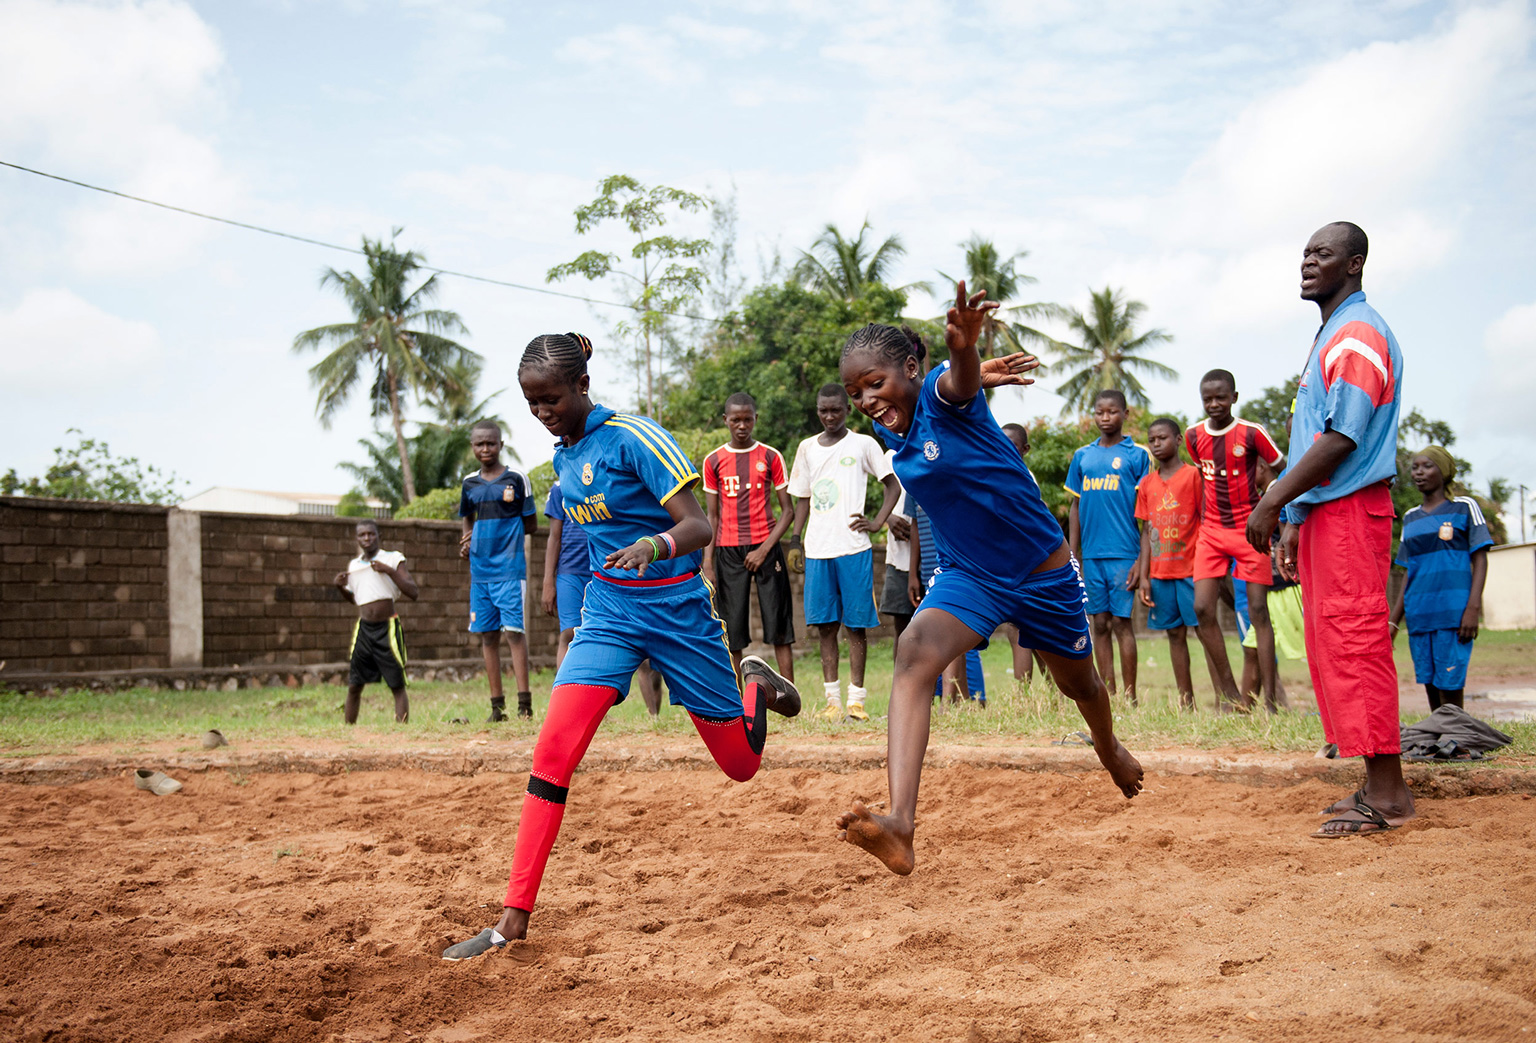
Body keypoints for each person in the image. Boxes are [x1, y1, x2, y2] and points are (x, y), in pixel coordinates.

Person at [442, 332, 801, 957]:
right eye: (531, 402)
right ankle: (511, 919)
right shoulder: (562, 457)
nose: (542, 412)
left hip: (677, 611)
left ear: (582, 385)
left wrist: (652, 547)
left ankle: (753, 683)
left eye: (550, 398)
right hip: (608, 612)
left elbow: (700, 525)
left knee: (741, 767)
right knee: (552, 751)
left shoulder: (635, 436)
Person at [834, 284, 1143, 877]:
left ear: (911, 368)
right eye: (856, 393)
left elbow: (959, 382)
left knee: (1079, 686)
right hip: (971, 576)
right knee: (914, 651)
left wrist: (966, 348)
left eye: (876, 383)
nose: (868, 399)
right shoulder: (892, 434)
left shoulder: (944, 398)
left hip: (1042, 575)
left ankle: (1108, 747)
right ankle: (900, 823)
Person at [1246, 221, 1412, 837]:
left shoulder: (1358, 332)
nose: (1308, 262)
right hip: (1322, 515)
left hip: (1349, 511)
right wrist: (1292, 517)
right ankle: (1374, 780)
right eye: (1305, 253)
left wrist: (1271, 501)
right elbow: (1315, 434)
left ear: (1356, 264)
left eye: (1323, 253)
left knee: (1355, 638)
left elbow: (1342, 436)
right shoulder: (1330, 335)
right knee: (1332, 643)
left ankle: (1390, 794)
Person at [787, 385, 899, 722]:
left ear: (847, 410)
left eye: (836, 410)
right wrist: (795, 540)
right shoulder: (807, 448)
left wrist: (879, 522)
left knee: (856, 627)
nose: (830, 416)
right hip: (819, 549)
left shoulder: (863, 444)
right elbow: (802, 499)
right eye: (824, 411)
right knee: (824, 627)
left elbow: (891, 483)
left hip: (854, 549)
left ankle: (856, 702)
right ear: (817, 411)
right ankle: (832, 702)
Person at [1186, 370, 1285, 713]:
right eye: (1207, 399)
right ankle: (1229, 694)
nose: (1214, 404)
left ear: (1234, 397)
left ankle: (1270, 700)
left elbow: (1280, 468)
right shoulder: (1193, 435)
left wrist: (1271, 510)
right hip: (1211, 532)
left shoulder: (1252, 433)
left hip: (1250, 530)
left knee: (1258, 611)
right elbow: (1205, 475)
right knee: (1201, 608)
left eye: (1221, 398)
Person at [542, 479, 665, 715]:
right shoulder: (561, 487)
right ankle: (566, 708)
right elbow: (554, 537)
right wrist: (549, 580)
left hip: (609, 567)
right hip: (571, 571)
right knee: (569, 634)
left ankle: (653, 715)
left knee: (639, 644)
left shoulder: (613, 479)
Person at [701, 393, 797, 681]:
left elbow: (788, 512)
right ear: (725, 421)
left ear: (756, 419)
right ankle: (736, 700)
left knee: (780, 625)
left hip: (765, 547)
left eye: (747, 419)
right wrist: (708, 562)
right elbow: (712, 517)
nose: (741, 425)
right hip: (728, 551)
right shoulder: (713, 460)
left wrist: (764, 549)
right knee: (732, 630)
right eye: (735, 420)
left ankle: (789, 694)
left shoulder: (770, 456)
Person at [1390, 446, 1493, 711]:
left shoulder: (1464, 507)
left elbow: (1480, 559)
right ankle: (1440, 742)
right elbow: (1408, 573)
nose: (1419, 472)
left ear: (1443, 471)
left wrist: (1473, 607)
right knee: (1429, 681)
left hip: (1454, 613)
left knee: (1451, 681)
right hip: (1419, 615)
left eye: (1427, 466)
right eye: (1415, 467)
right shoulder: (1410, 518)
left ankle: (1457, 742)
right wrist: (1394, 620)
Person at [1065, 390, 1151, 702]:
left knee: (1122, 624)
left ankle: (1130, 696)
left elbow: (1147, 517)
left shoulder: (1137, 455)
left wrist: (1141, 560)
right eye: (1099, 412)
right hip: (1092, 555)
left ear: (1125, 414)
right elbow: (1075, 508)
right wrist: (1075, 555)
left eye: (1112, 412)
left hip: (1124, 554)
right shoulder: (1082, 456)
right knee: (1098, 624)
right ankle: (1108, 693)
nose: (1105, 418)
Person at [459, 420, 537, 721]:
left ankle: (524, 706)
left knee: (514, 634)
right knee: (487, 637)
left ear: (501, 444)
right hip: (480, 574)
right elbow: (467, 519)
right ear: (473, 447)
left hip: (509, 570)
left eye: (491, 443)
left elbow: (530, 524)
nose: (485, 449)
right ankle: (497, 707)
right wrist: (467, 543)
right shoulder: (469, 484)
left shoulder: (517, 479)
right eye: (480, 444)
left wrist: (505, 540)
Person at [1133, 417, 1202, 710]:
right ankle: (1187, 702)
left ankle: (1226, 699)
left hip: (1192, 569)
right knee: (1174, 635)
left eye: (1162, 438)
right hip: (1161, 573)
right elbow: (1148, 531)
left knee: (1204, 630)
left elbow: (1206, 520)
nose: (1157, 444)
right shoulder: (1147, 484)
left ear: (1177, 440)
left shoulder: (1194, 476)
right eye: (1152, 440)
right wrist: (1145, 576)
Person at [334, 518, 418, 723]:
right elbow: (356, 598)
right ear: (357, 539)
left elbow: (413, 591)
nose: (367, 538)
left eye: (371, 534)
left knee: (396, 683)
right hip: (364, 629)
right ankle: (348, 730)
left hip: (387, 628)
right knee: (354, 684)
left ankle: (401, 731)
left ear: (379, 536)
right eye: (362, 535)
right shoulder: (354, 565)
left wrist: (387, 570)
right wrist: (340, 587)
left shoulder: (392, 558)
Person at [1001, 422, 1045, 685]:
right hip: (1011, 560)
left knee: (1019, 628)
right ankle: (1046, 688)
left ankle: (1025, 692)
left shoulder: (1018, 475)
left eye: (1012, 445)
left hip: (1020, 559)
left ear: (1025, 449)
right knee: (1024, 627)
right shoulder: (1009, 472)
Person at [878, 450, 917, 655]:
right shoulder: (890, 456)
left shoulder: (929, 447)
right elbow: (889, 494)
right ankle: (901, 686)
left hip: (930, 556)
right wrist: (889, 517)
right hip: (899, 556)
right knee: (901, 629)